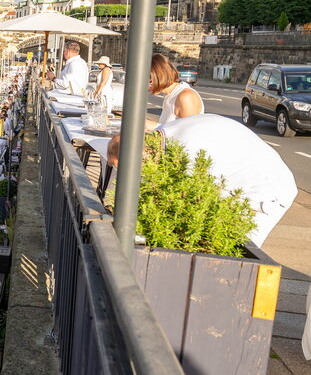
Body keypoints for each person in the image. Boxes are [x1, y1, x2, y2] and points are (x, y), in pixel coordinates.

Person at [107, 114, 297, 248]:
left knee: (236, 253)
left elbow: (194, 204)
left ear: (138, 157)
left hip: (265, 193)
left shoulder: (187, 153)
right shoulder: (161, 136)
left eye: (125, 169)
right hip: (238, 182)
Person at [149, 54, 204, 125]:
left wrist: (154, 127)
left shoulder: (186, 96)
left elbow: (189, 132)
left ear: (160, 76)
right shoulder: (170, 95)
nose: (146, 86)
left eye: (149, 80)